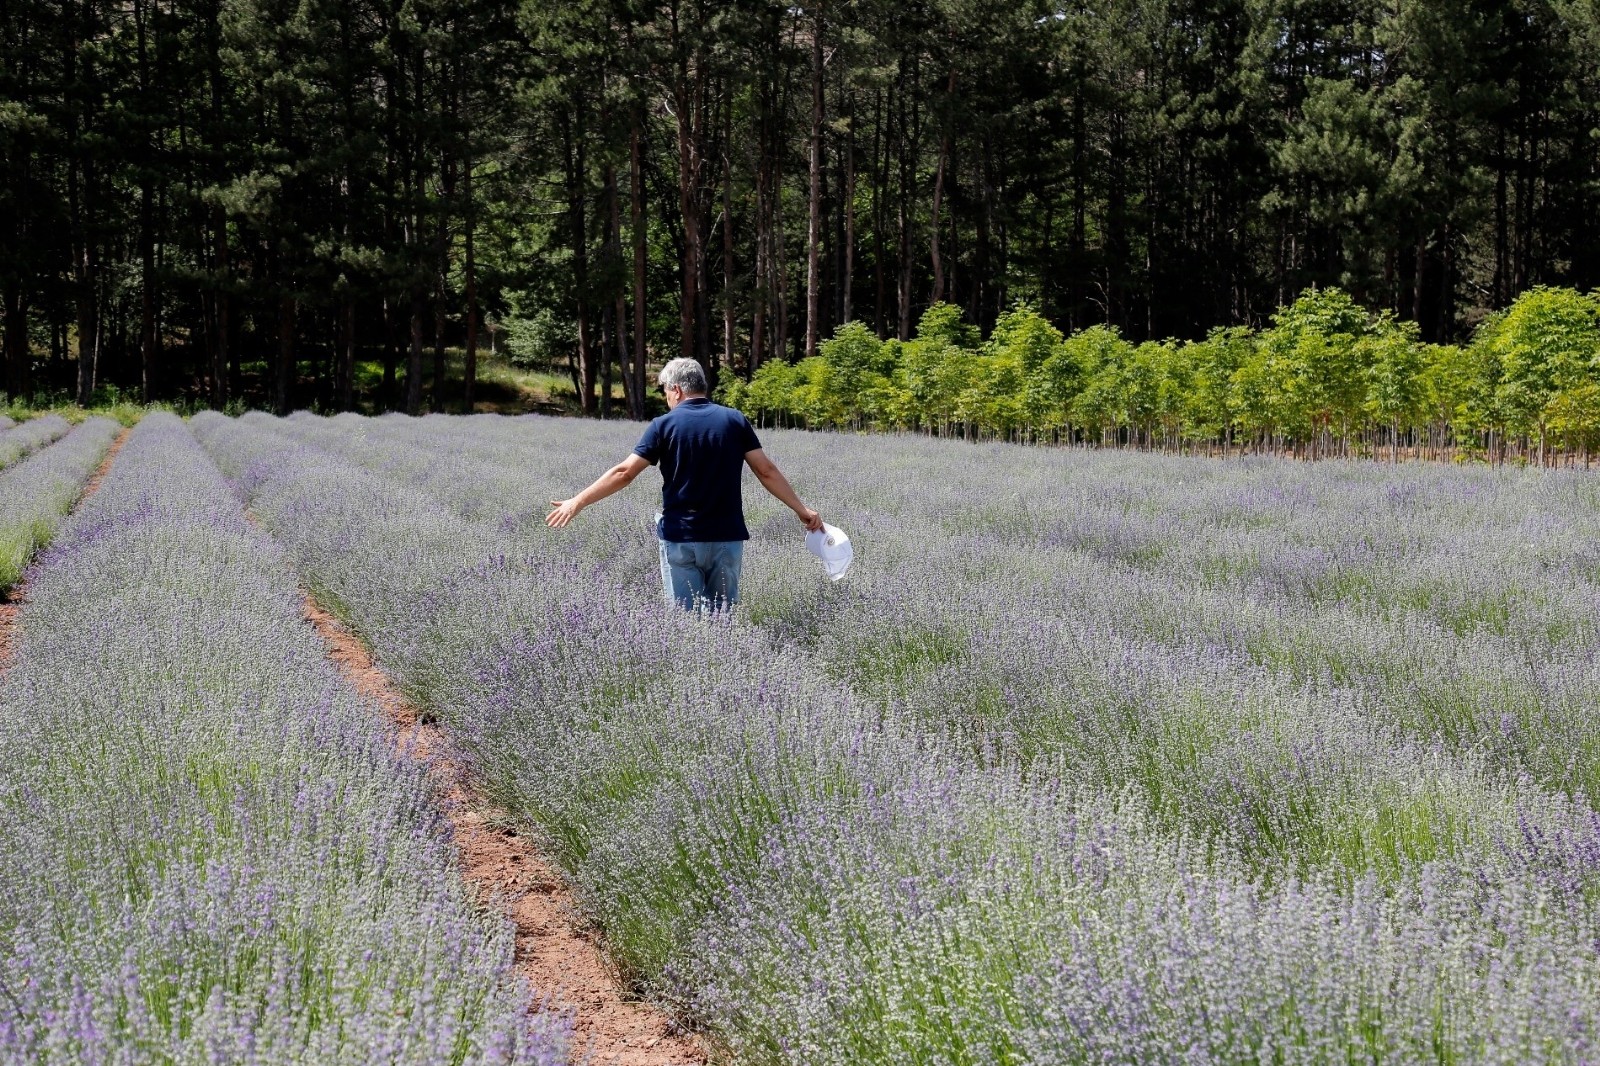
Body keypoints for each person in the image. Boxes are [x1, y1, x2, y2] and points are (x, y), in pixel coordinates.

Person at [546, 357, 823, 611]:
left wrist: (578, 501)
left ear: (676, 389)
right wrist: (802, 510)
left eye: (665, 390)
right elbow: (766, 471)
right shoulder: (734, 421)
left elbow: (625, 473)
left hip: (681, 537)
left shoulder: (663, 425)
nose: (666, 397)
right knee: (721, 618)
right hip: (726, 537)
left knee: (687, 622)